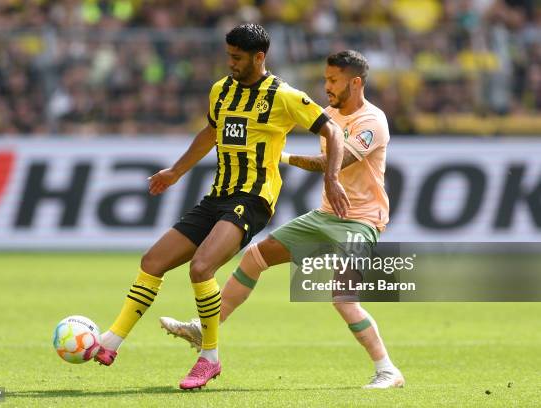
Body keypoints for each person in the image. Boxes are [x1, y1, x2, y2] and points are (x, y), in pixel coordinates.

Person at [94, 23, 350, 390]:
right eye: (228, 55)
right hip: (217, 196)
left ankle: (209, 358)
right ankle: (111, 342)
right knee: (152, 262)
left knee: (201, 268)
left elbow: (333, 132)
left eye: (237, 57)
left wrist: (332, 177)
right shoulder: (221, 91)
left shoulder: (284, 95)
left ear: (259, 58)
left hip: (253, 199)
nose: (230, 62)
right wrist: (176, 171)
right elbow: (212, 131)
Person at [160, 50, 405, 389]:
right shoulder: (329, 113)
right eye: (325, 79)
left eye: (334, 80)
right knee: (254, 258)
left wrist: (281, 156)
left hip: (361, 220)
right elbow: (274, 119)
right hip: (325, 215)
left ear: (356, 82)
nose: (327, 86)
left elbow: (333, 162)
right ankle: (205, 330)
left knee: (343, 298)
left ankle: (388, 370)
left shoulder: (372, 122)